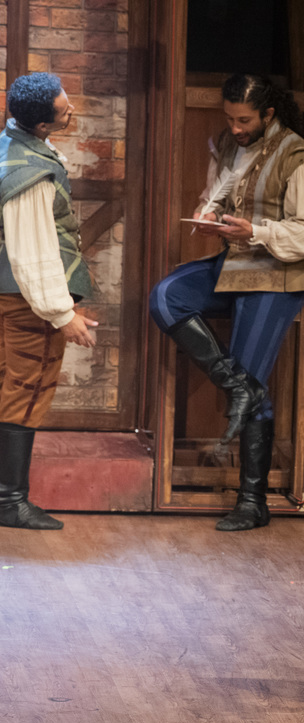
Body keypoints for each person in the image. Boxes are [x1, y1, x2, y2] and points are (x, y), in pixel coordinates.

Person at [148, 73, 304, 531]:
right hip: (233, 262)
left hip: (278, 271)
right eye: (229, 118)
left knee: (253, 375)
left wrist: (258, 232)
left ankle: (253, 501)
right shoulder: (231, 145)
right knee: (166, 297)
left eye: (244, 120)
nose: (235, 127)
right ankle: (242, 387)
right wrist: (210, 212)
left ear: (268, 114)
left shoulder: (299, 157)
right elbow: (222, 190)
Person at [0, 72, 99, 530]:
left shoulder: (14, 146)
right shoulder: (30, 174)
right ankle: (9, 501)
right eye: (63, 108)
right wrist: (62, 314)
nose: (71, 109)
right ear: (41, 124)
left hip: (11, 296)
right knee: (27, 390)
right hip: (24, 302)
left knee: (9, 389)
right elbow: (33, 252)